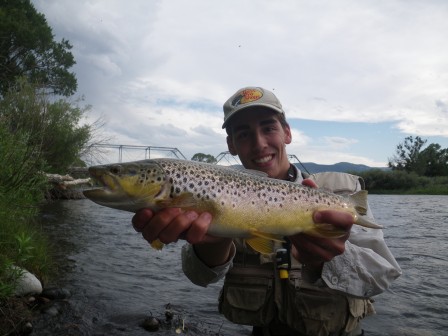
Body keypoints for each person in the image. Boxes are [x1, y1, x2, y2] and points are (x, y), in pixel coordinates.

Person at [132, 87, 401, 336]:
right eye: (244, 133)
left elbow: (383, 277)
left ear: (287, 133)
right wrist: (212, 246)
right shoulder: (216, 193)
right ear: (231, 145)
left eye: (268, 128)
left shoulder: (340, 192)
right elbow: (199, 278)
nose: (259, 143)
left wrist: (328, 259)